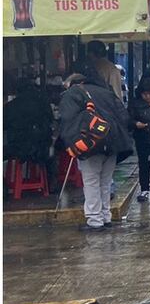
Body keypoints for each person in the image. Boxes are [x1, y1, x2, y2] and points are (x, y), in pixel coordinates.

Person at [58, 66, 133, 230]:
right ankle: (106, 217)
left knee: (91, 181)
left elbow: (67, 120)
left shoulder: (73, 94)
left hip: (91, 144)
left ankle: (94, 220)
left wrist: (72, 143)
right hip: (114, 143)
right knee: (105, 182)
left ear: (71, 82)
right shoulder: (106, 92)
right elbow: (124, 116)